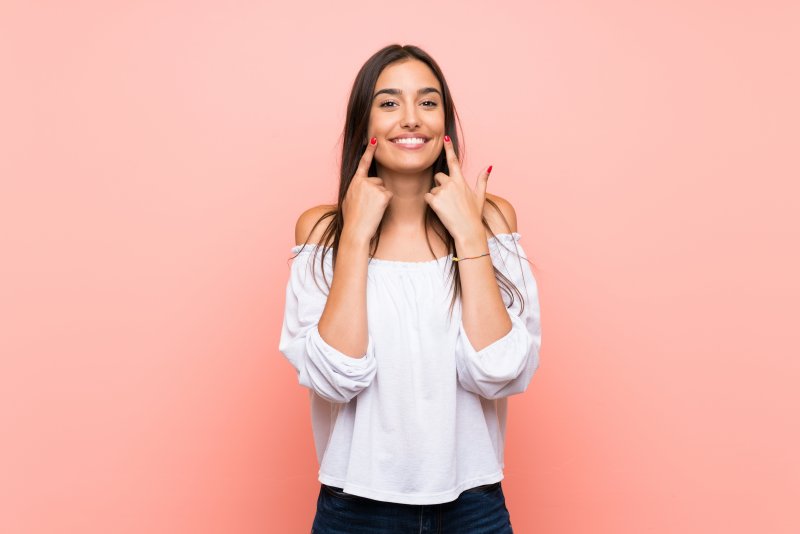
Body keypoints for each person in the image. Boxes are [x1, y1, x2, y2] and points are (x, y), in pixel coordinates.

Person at [279, 44, 542, 534]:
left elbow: (500, 370)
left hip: (474, 504)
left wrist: (468, 232)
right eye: (388, 102)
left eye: (427, 102)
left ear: (444, 121)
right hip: (354, 505)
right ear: (365, 125)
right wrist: (355, 236)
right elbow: (336, 377)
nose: (410, 118)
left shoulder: (491, 219)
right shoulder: (321, 231)